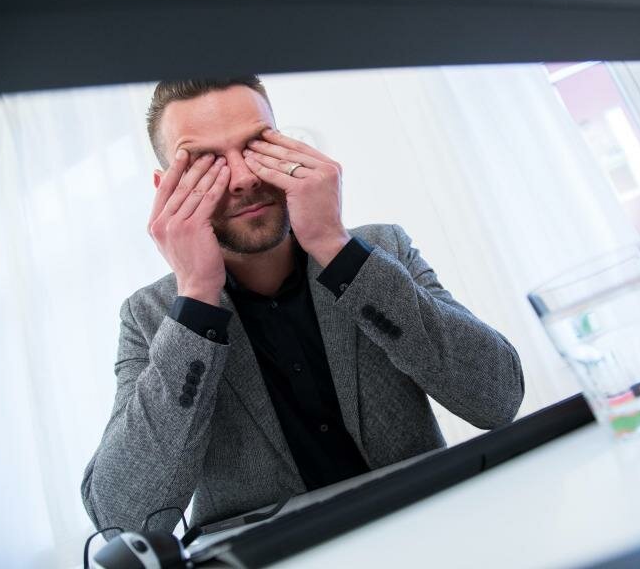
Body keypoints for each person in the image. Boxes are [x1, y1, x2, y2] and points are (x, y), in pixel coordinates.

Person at [81, 75, 524, 534]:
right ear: (166, 189)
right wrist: (196, 298)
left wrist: (336, 248)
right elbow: (121, 518)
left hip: (426, 536)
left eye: (257, 146)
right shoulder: (150, 316)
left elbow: (497, 400)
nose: (244, 178)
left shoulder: (382, 249)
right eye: (205, 163)